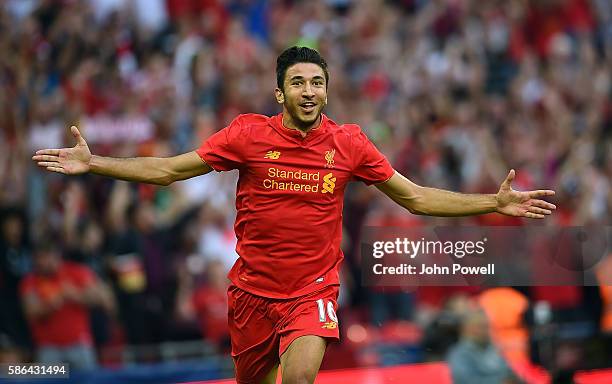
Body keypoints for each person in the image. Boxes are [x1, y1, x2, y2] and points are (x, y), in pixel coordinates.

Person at [32, 46, 556, 384]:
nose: (310, 92)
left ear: (327, 89)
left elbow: (415, 197)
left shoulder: (349, 143)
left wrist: (494, 202)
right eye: (299, 83)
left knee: (300, 380)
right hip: (252, 295)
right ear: (280, 92)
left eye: (318, 83)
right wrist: (95, 162)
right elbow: (170, 170)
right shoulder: (247, 135)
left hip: (313, 291)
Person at [19, 240, 113, 370]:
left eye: (45, 257)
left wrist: (75, 295)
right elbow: (30, 311)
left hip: (79, 345)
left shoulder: (76, 271)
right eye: (38, 258)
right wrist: (51, 305)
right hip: (48, 348)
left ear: (56, 256)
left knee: (88, 381)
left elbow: (102, 298)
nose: (41, 262)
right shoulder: (30, 280)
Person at [447, 308, 523, 384]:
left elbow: (509, 373)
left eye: (487, 326)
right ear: (466, 329)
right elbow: (465, 381)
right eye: (480, 326)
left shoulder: (493, 349)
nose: (485, 330)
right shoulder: (459, 353)